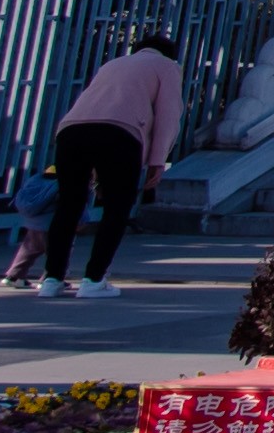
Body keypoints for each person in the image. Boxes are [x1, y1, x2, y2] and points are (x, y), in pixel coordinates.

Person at [20, 32, 187, 297]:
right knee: (116, 209)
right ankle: (94, 279)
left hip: (71, 131)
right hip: (120, 134)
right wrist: (157, 161)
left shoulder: (113, 64)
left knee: (68, 206)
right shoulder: (167, 66)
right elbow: (168, 115)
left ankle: (52, 279)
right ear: (170, 54)